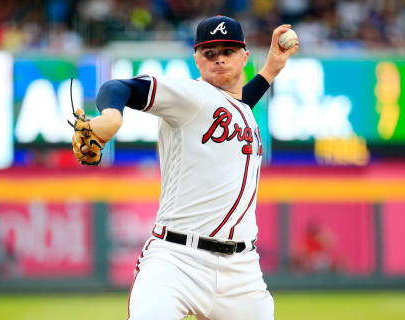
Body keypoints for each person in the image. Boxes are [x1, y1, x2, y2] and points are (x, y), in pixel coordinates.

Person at [72, 15, 298, 320]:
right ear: (196, 59)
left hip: (241, 273)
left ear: (245, 57)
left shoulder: (239, 108)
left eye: (228, 51)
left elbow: (239, 103)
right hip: (176, 261)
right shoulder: (190, 96)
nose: (218, 59)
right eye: (209, 53)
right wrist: (112, 115)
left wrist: (271, 69)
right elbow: (118, 86)